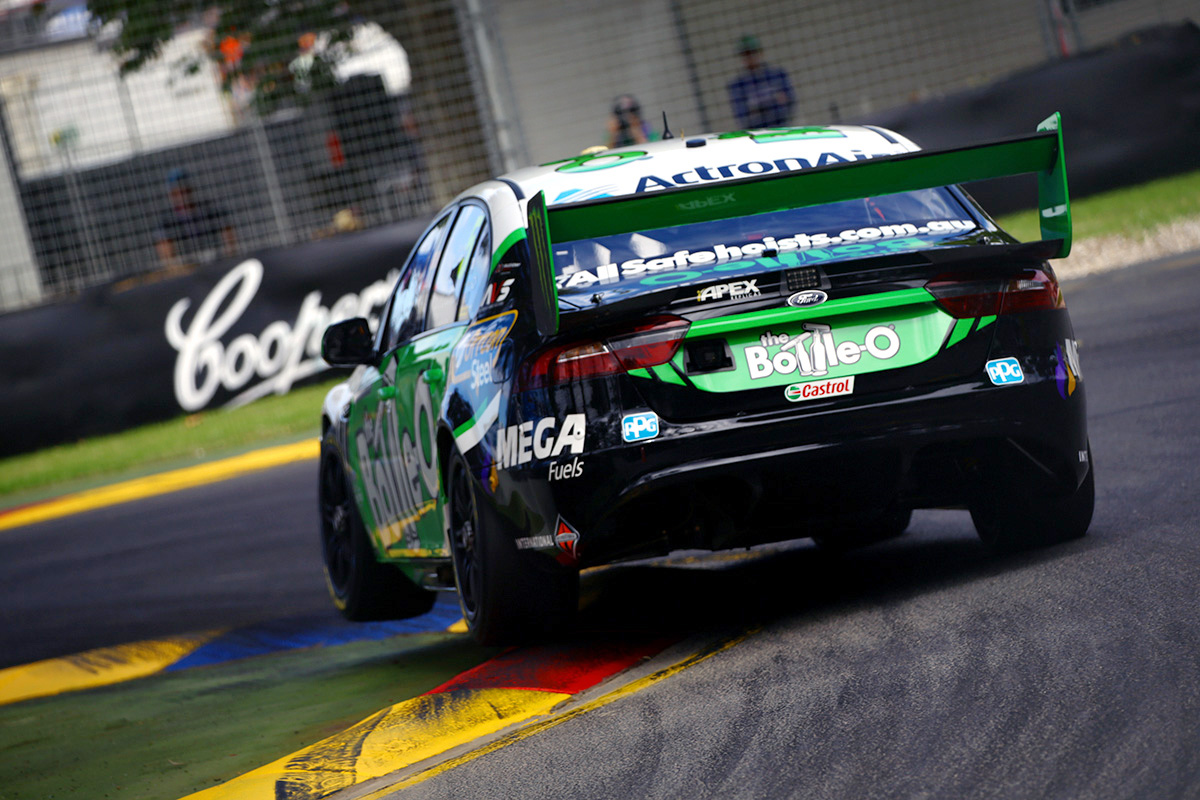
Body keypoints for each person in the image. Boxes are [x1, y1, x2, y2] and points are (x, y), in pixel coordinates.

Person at [155, 168, 237, 270]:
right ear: (171, 195)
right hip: (187, 270)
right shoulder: (167, 221)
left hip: (216, 264)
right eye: (177, 193)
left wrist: (227, 261)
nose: (182, 196)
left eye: (185, 191)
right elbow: (167, 258)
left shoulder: (209, 211)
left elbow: (229, 239)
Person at [727, 35, 795, 129]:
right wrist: (773, 104)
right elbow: (742, 116)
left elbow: (789, 104)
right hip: (755, 132)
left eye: (752, 53)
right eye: (746, 54)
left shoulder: (778, 75)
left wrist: (757, 110)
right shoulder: (737, 85)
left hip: (780, 129)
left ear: (760, 53)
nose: (750, 57)